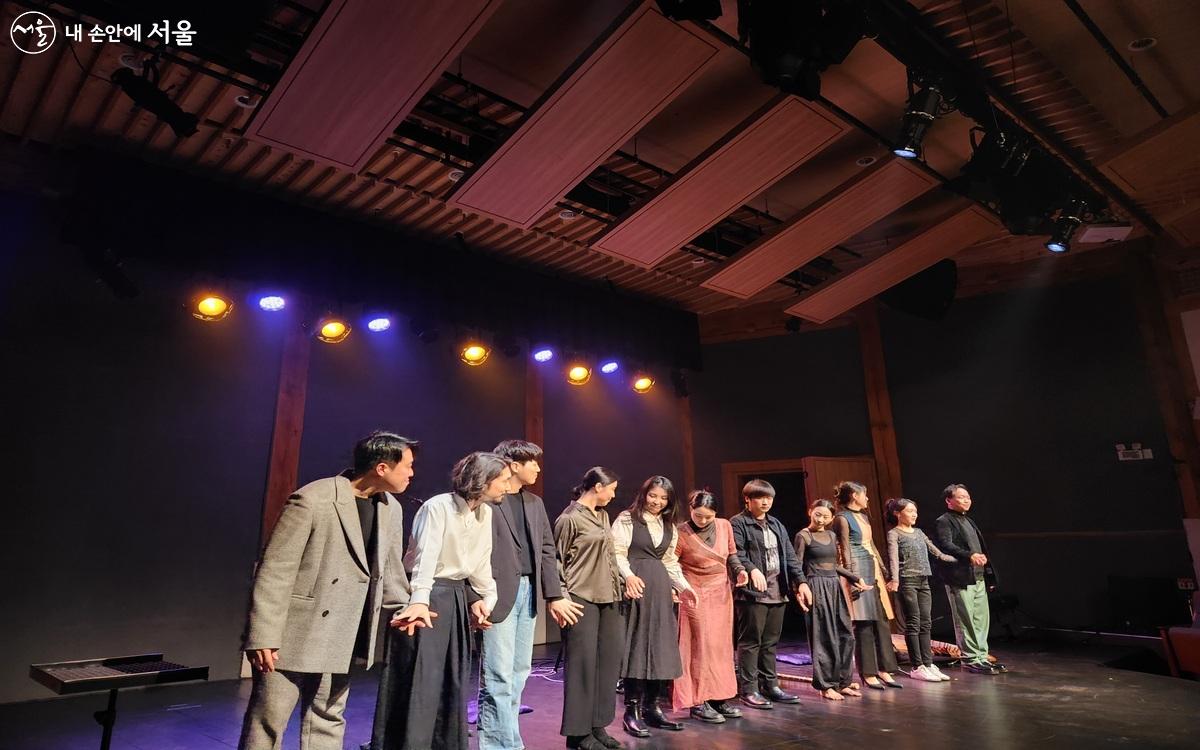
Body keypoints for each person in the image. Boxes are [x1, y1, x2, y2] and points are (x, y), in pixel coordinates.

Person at [239, 431, 418, 750]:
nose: (411, 473)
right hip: (293, 634)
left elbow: (389, 572)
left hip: (345, 631)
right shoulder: (314, 499)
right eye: (407, 466)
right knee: (268, 719)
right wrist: (262, 635)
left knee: (329, 717)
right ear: (381, 468)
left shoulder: (392, 508)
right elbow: (275, 570)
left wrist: (407, 607)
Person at [370, 452, 510, 750]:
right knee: (421, 679)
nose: (507, 487)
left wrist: (487, 598)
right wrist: (419, 602)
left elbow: (481, 564)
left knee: (452, 679)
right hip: (428, 596)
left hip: (456, 597)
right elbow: (425, 559)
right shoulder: (438, 507)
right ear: (483, 480)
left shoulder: (484, 513)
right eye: (503, 480)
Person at [476, 440, 584, 750]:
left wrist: (555, 594)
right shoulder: (487, 501)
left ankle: (509, 742)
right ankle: (498, 745)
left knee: (519, 673)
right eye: (532, 462)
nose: (537, 467)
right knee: (497, 676)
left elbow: (548, 551)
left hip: (527, 592)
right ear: (512, 464)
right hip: (496, 593)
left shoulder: (534, 503)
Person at [612, 476, 698, 738]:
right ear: (644, 494)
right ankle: (632, 711)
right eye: (653, 496)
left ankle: (652, 708)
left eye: (663, 498)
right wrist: (628, 576)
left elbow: (670, 561)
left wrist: (684, 587)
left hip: (659, 587)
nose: (657, 502)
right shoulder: (628, 518)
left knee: (660, 646)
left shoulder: (669, 525)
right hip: (635, 585)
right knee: (637, 646)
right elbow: (616, 551)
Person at [555, 467, 626, 750]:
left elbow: (608, 556)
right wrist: (559, 598)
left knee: (608, 664)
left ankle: (598, 726)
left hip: (609, 597)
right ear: (598, 486)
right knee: (582, 666)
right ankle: (578, 733)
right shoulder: (569, 518)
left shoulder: (603, 515)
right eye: (612, 489)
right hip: (580, 598)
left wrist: (624, 580)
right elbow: (557, 561)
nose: (613, 494)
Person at [730, 478, 811, 709]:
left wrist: (801, 582)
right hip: (752, 593)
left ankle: (771, 685)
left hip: (778, 589)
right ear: (748, 499)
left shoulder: (776, 524)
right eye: (759, 498)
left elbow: (790, 556)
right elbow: (736, 553)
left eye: (769, 498)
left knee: (770, 642)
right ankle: (749, 689)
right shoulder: (738, 523)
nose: (765, 502)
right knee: (750, 641)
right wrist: (751, 569)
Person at [673, 490, 748, 723]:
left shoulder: (724, 526)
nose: (703, 520)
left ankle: (719, 697)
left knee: (720, 646)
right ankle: (698, 700)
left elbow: (732, 555)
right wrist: (676, 589)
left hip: (721, 593)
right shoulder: (681, 532)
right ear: (690, 511)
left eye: (708, 516)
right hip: (694, 593)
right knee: (699, 647)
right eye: (698, 516)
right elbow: (671, 564)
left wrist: (741, 571)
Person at [792, 499, 868, 700]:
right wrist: (799, 590)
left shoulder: (831, 534)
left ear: (832, 518)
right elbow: (796, 566)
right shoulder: (803, 536)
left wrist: (854, 577)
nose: (821, 519)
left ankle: (843, 682)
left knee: (845, 634)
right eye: (818, 514)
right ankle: (825, 685)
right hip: (816, 586)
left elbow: (832, 564)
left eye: (826, 516)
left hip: (834, 586)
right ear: (810, 512)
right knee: (823, 636)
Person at [831, 481, 901, 690]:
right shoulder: (842, 518)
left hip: (873, 568)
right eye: (864, 495)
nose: (867, 499)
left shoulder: (863, 516)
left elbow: (871, 545)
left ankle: (885, 669)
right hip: (858, 570)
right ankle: (868, 672)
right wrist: (852, 579)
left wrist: (883, 568)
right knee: (863, 623)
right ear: (854, 495)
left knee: (880, 620)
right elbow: (845, 550)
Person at [935, 484, 1008, 675]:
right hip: (960, 577)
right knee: (965, 619)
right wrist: (969, 555)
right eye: (961, 497)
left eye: (968, 497)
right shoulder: (944, 521)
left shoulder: (969, 520)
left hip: (977, 576)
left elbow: (980, 549)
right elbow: (945, 545)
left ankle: (981, 656)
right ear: (949, 501)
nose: (966, 500)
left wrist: (988, 573)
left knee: (980, 619)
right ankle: (970, 658)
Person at [885, 498, 954, 683]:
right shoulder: (894, 534)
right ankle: (917, 666)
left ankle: (928, 663)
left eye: (915, 511)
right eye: (909, 511)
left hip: (924, 580)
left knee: (926, 622)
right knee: (913, 623)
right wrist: (895, 579)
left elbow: (935, 551)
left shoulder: (919, 532)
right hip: (907, 581)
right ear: (897, 513)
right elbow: (892, 558)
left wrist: (953, 558)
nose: (914, 514)